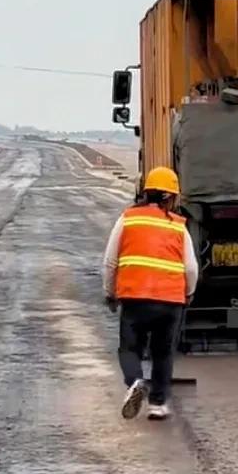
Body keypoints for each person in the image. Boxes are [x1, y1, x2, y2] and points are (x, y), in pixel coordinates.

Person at [102, 166, 198, 421]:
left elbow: (110, 261)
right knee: (163, 352)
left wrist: (110, 293)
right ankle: (158, 404)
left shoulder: (128, 219)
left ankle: (135, 382)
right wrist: (188, 293)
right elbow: (190, 267)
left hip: (135, 298)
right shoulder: (178, 227)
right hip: (170, 302)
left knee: (129, 349)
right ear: (170, 197)